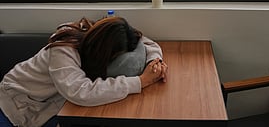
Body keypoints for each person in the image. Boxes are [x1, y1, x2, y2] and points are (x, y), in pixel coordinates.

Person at [0, 16, 168, 127]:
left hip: (51, 105)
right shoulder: (64, 51)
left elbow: (145, 42)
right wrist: (141, 81)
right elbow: (80, 91)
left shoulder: (101, 31)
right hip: (14, 105)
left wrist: (154, 62)